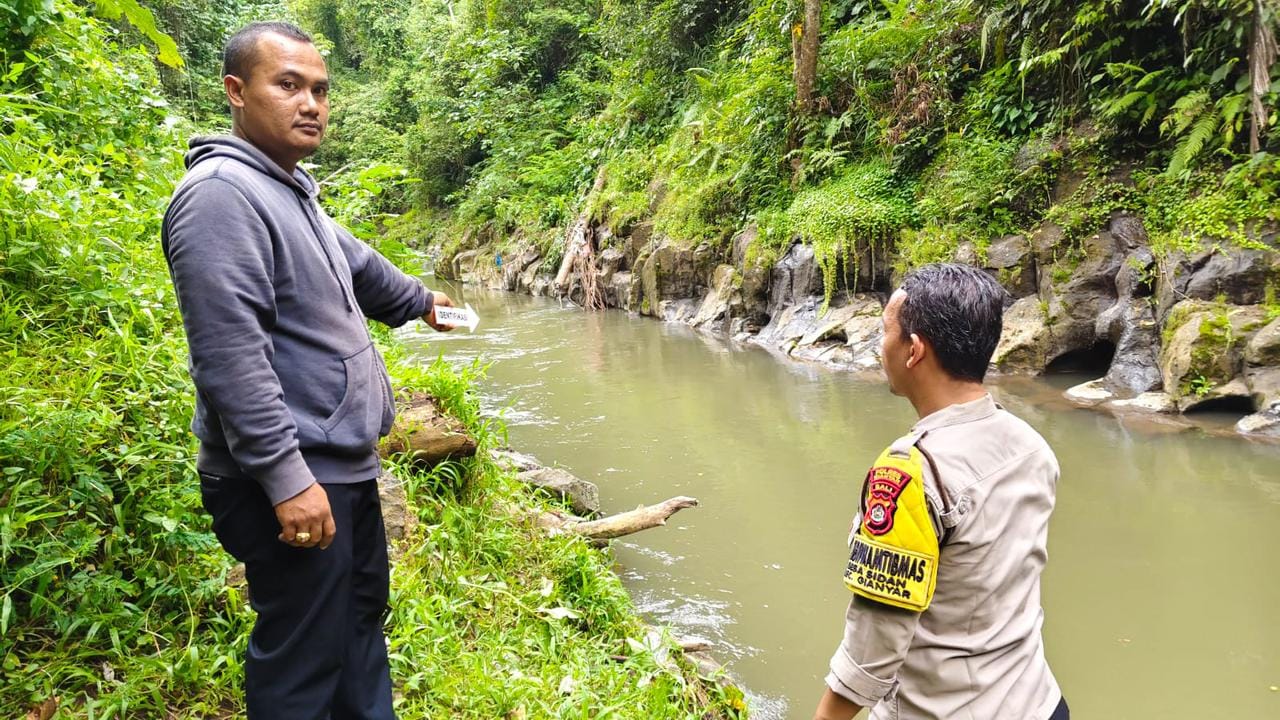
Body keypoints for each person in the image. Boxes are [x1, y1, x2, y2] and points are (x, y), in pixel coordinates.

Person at [160, 21, 452, 719]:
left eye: (319, 89)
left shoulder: (290, 189)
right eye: (287, 84)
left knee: (355, 631)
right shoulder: (221, 197)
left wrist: (421, 301)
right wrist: (288, 479)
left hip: (341, 471)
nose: (311, 102)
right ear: (236, 91)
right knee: (304, 658)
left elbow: (356, 264)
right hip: (288, 479)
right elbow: (229, 359)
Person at [814, 264, 1068, 720]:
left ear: (914, 350)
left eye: (886, 332)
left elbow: (872, 648)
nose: (880, 346)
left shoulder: (910, 474)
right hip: (1038, 703)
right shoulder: (1031, 446)